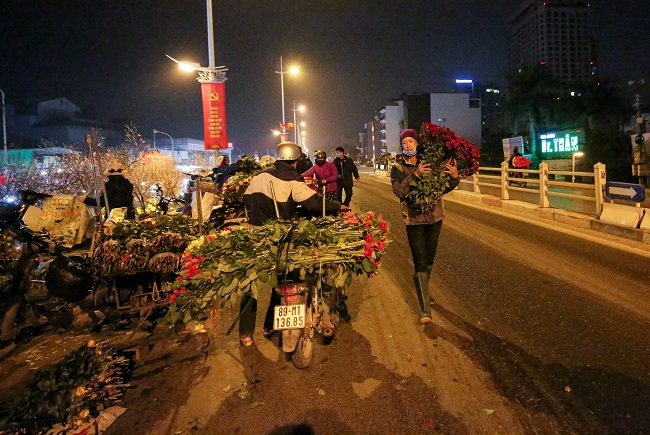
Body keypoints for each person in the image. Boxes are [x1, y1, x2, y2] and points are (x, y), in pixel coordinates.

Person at [239, 141, 346, 346]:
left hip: (254, 235)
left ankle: (245, 334)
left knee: (249, 284)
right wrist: (336, 206)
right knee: (284, 277)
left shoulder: (259, 176)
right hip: (279, 237)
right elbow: (313, 203)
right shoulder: (292, 178)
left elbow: (245, 200)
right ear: (295, 162)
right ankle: (270, 325)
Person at [390, 129, 459, 324]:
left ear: (417, 143)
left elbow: (442, 187)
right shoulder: (397, 167)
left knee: (429, 260)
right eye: (405, 143)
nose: (408, 145)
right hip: (413, 220)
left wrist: (454, 177)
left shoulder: (430, 161)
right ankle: (425, 310)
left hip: (435, 217)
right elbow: (399, 191)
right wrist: (416, 174)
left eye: (411, 141)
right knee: (420, 262)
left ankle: (424, 291)